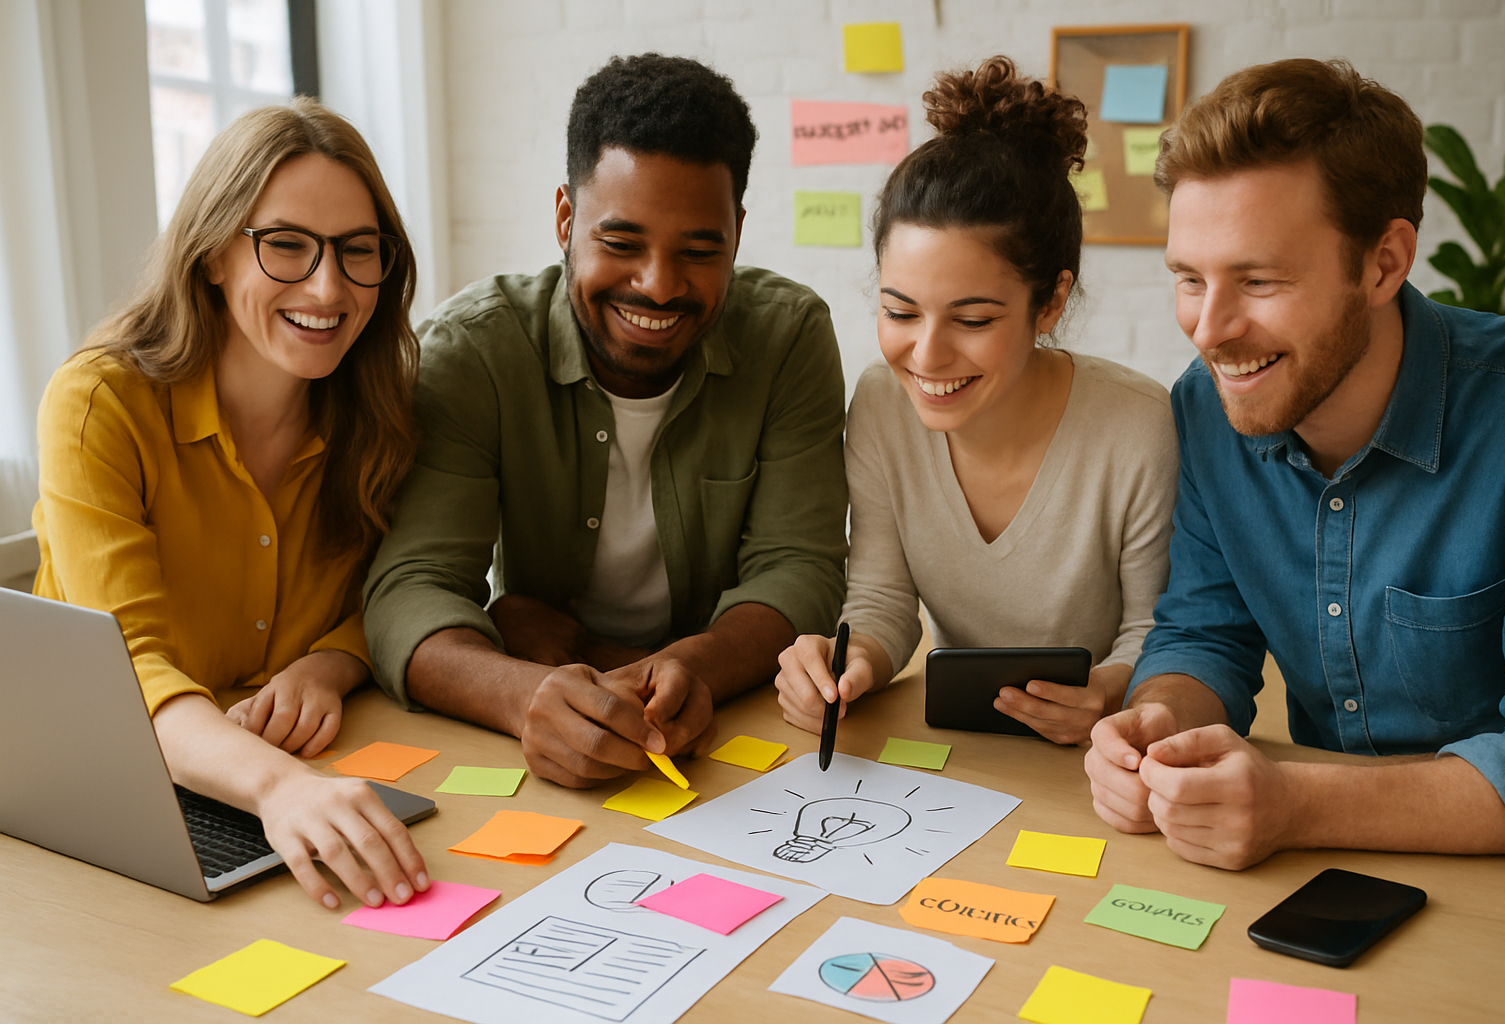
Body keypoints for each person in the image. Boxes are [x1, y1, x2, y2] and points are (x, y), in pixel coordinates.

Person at [1085, 58, 1505, 868]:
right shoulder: (1207, 402)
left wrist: (1294, 802)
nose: (1209, 330)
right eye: (1189, 278)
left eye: (1258, 280)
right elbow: (1203, 632)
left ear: (1383, 264)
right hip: (1311, 866)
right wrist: (1158, 718)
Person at [363, 53, 848, 788]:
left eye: (698, 250)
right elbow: (411, 588)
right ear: (566, 217)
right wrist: (523, 696)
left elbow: (802, 567)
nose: (657, 285)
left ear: (738, 234)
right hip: (539, 723)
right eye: (621, 244)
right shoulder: (473, 350)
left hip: (727, 737)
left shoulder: (790, 337)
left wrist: (690, 666)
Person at [32, 99, 431, 909]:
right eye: (286, 245)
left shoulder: (384, 410)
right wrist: (282, 787)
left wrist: (329, 665)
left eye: (358, 251)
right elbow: (129, 672)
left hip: (302, 778)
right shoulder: (98, 403)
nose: (328, 287)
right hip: (111, 793)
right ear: (212, 253)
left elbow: (394, 593)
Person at [774, 57, 1179, 744]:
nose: (927, 357)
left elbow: (1159, 630)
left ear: (1049, 302)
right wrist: (848, 664)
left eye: (972, 321)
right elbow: (882, 599)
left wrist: (1106, 692)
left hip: (1106, 755)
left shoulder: (1137, 426)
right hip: (960, 753)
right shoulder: (881, 400)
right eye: (901, 312)